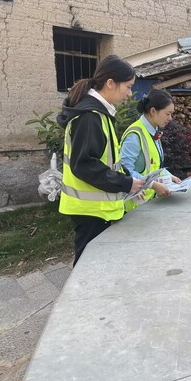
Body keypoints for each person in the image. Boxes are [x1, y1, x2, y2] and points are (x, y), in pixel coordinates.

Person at [57, 55, 144, 266]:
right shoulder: (90, 116)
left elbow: (109, 161)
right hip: (91, 211)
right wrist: (124, 183)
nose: (130, 94)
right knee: (88, 270)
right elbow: (84, 164)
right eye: (128, 87)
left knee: (95, 267)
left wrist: (129, 182)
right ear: (110, 83)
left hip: (96, 209)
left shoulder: (99, 114)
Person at [120, 89, 181, 211]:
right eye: (167, 114)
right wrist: (153, 185)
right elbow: (124, 170)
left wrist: (169, 176)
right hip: (133, 208)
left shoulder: (153, 132)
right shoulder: (135, 135)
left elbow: (154, 166)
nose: (170, 118)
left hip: (147, 204)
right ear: (153, 111)